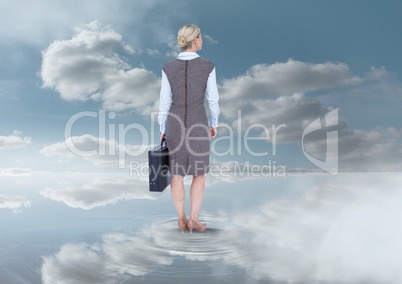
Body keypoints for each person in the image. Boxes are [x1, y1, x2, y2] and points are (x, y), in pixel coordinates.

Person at [158, 24, 220, 234]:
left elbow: (164, 102)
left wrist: (162, 127)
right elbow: (213, 100)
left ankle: (181, 219)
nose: (202, 40)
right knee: (199, 173)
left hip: (174, 122)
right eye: (201, 37)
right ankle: (194, 219)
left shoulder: (168, 67)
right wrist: (214, 123)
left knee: (177, 174)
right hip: (197, 122)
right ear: (196, 40)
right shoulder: (208, 66)